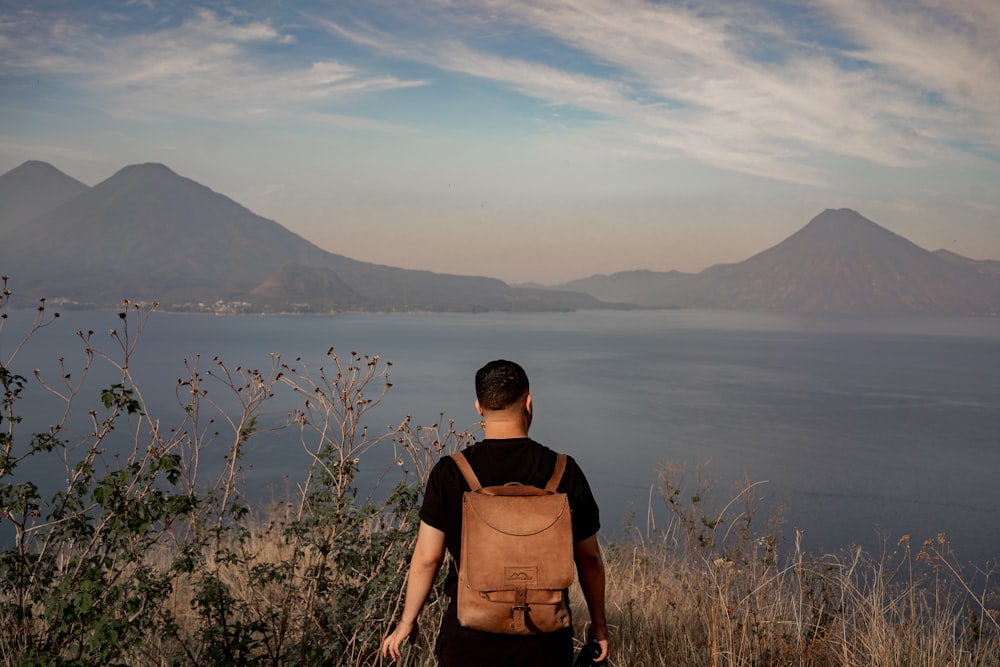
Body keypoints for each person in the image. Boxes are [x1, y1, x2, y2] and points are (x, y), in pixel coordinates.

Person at [381, 360, 611, 666]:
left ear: (479, 407)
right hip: (544, 642)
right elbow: (589, 559)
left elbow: (427, 558)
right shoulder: (564, 471)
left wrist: (407, 621)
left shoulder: (450, 473)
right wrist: (599, 625)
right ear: (529, 403)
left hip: (468, 638)